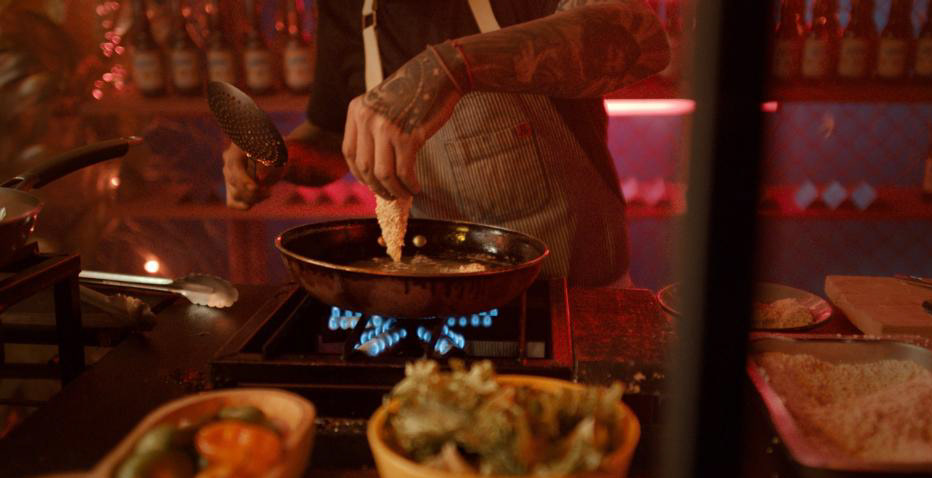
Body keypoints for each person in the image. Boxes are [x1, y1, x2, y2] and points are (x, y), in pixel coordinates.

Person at [222, 0, 670, 287]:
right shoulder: (348, 9)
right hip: (440, 297)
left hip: (574, 298)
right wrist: (278, 160)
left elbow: (641, 37)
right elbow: (331, 135)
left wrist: (452, 67)